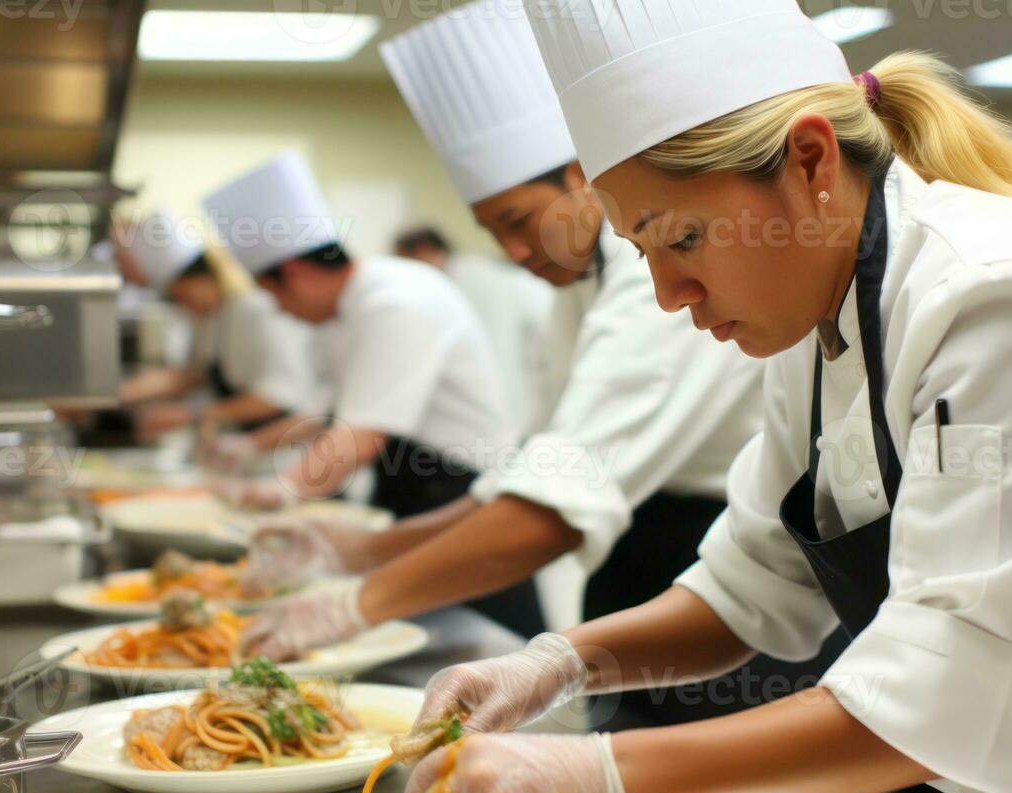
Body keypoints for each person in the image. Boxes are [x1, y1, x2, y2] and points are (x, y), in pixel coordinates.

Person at [388, 2, 1012, 793]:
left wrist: (592, 780)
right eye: (641, 252)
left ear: (813, 163)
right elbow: (746, 586)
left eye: (678, 238)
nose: (665, 292)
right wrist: (558, 662)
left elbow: (933, 699)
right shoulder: (814, 321)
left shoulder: (996, 290)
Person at [239, 1, 781, 730]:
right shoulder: (580, 283)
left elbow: (554, 507)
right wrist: (362, 551)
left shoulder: (659, 277)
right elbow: (534, 467)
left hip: (729, 583)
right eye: (495, 232)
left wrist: (352, 601)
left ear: (580, 176)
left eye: (518, 221)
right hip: (651, 576)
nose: (513, 253)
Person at [202, 151, 539, 637]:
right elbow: (330, 412)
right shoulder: (349, 308)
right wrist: (254, 451)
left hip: (462, 494)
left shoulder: (395, 300)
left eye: (274, 294)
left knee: (483, 644)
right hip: (411, 487)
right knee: (412, 630)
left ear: (293, 272)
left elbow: (360, 437)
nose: (278, 310)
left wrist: (277, 491)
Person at [115, 208, 314, 444]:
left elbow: (278, 395)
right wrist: (118, 394)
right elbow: (191, 375)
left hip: (284, 447)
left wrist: (193, 415)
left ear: (205, 277)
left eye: (182, 296)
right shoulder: (209, 317)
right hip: (242, 447)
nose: (183, 307)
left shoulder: (253, 309)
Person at [394, 225, 553, 436]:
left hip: (514, 411)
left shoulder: (473, 281)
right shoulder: (468, 275)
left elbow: (499, 356)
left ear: (425, 250)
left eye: (406, 262)